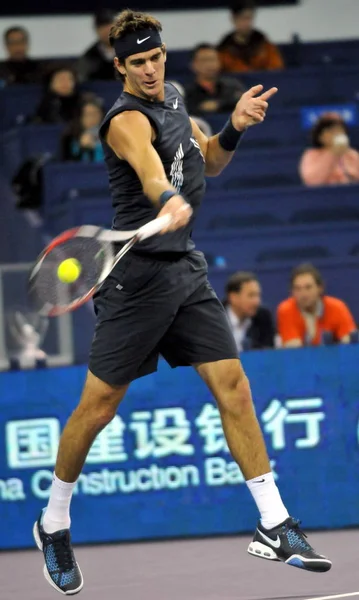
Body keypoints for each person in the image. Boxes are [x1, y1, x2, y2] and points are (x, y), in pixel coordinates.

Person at [33, 9, 331, 595]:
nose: (150, 69)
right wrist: (166, 199)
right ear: (118, 67)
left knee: (235, 388)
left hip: (185, 271)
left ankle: (274, 522)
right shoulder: (123, 120)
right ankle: (54, 521)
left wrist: (235, 127)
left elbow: (210, 161)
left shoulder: (172, 97)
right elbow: (148, 171)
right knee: (97, 410)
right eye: (137, 62)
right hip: (134, 282)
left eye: (156, 56)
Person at [277, 263, 356, 347]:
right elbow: (294, 351)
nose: (303, 294)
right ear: (292, 292)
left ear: (320, 288)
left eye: (308, 287)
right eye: (297, 289)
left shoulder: (337, 307)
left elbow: (350, 345)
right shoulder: (286, 310)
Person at [218, 0, 284, 73]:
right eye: (242, 18)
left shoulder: (265, 46)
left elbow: (276, 70)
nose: (246, 23)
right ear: (233, 19)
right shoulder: (223, 50)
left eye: (249, 18)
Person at [299, 114, 359, 186]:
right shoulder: (311, 155)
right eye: (330, 131)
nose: (336, 133)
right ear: (320, 136)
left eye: (339, 130)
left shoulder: (352, 154)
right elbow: (313, 182)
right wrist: (333, 153)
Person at [185, 43, 245, 115]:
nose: (210, 64)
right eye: (204, 60)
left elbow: (245, 101)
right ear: (193, 65)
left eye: (213, 60)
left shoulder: (232, 85)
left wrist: (219, 105)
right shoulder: (187, 92)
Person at [224, 271, 275, 351]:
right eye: (251, 295)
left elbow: (267, 353)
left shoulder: (263, 317)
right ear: (233, 297)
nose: (257, 301)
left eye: (258, 295)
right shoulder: (214, 318)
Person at [61, 96, 105, 162]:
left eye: (95, 114)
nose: (92, 118)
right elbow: (67, 164)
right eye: (88, 114)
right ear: (80, 117)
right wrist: (81, 147)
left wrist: (96, 147)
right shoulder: (69, 137)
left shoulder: (110, 135)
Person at [77, 9, 116, 81]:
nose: (106, 30)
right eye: (102, 27)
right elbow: (81, 79)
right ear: (96, 30)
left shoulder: (129, 51)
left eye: (109, 26)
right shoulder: (89, 56)